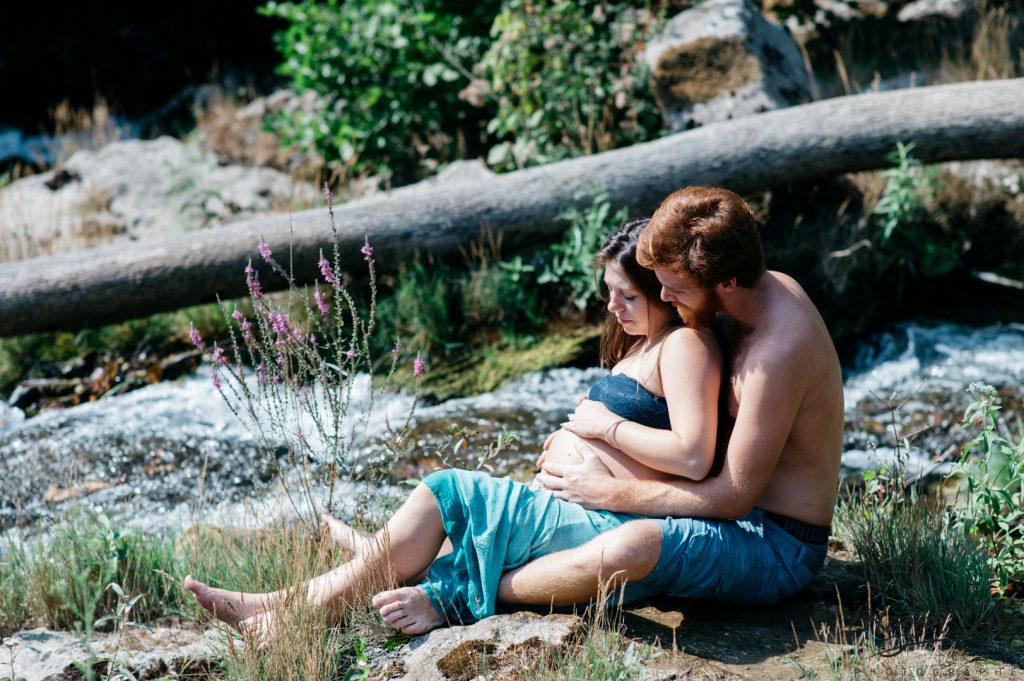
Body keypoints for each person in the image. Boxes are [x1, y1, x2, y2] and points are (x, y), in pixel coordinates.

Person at [184, 218, 723, 638]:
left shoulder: (685, 345)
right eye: (609, 292)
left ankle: (297, 615)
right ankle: (280, 600)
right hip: (576, 506)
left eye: (627, 296)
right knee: (442, 517)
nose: (612, 307)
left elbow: (693, 456)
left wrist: (603, 429)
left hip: (605, 519)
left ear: (665, 289)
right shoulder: (644, 344)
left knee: (446, 490)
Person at [493, 185, 844, 610]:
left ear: (727, 283)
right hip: (731, 513)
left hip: (775, 544)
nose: (662, 297)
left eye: (675, 287)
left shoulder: (779, 353)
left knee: (634, 543)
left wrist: (605, 490)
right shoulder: (747, 293)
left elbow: (733, 498)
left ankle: (478, 593)